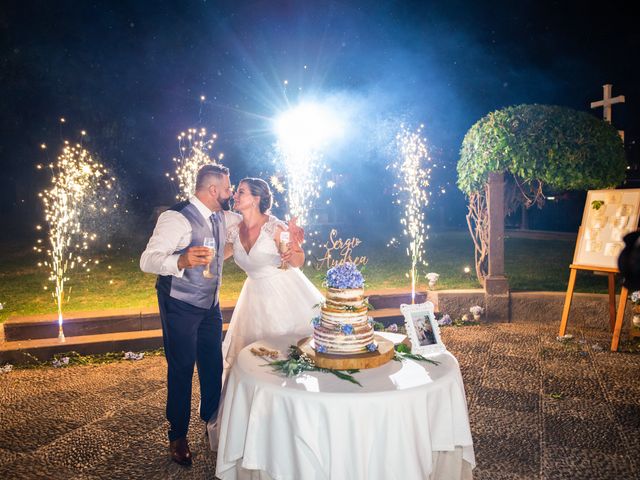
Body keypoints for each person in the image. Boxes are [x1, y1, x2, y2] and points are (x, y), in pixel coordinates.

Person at [140, 164, 239, 466]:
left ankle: (211, 416)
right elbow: (147, 260)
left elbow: (249, 221)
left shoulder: (222, 216)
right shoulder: (175, 218)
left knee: (212, 363)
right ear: (213, 190)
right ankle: (177, 435)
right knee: (182, 368)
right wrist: (181, 259)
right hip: (179, 304)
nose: (231, 192)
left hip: (210, 304)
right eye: (228, 187)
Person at [221, 177, 324, 369]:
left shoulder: (275, 228)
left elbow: (298, 261)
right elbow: (218, 256)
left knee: (286, 353)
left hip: (283, 294)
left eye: (241, 192)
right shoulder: (234, 231)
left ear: (256, 199)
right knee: (254, 358)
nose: (235, 195)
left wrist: (291, 253)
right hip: (253, 298)